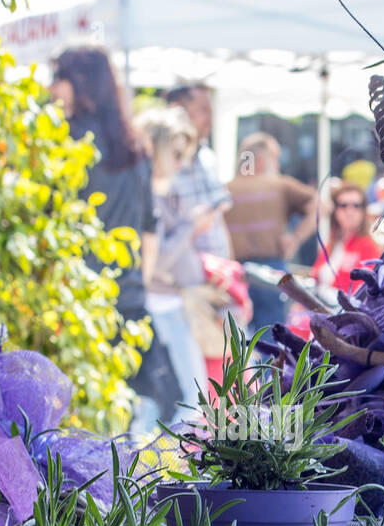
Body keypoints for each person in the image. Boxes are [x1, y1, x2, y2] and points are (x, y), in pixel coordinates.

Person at [50, 46, 179, 430]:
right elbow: (149, 227)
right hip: (128, 300)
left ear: (81, 83)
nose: (51, 88)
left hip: (75, 304)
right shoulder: (134, 146)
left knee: (70, 419)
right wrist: (137, 281)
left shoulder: (64, 139)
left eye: (59, 77)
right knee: (124, 419)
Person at [136, 106, 210, 410]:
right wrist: (191, 226)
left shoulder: (156, 193)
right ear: (157, 148)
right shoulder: (146, 196)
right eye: (176, 155)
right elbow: (156, 260)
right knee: (188, 399)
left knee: (170, 399)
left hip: (170, 303)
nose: (180, 164)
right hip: (162, 305)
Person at [225, 132, 317, 333]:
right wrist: (295, 238)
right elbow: (320, 206)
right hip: (270, 270)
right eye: (275, 158)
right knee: (270, 337)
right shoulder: (280, 185)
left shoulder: (225, 190)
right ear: (260, 161)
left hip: (234, 272)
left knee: (236, 337)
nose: (277, 165)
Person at [163, 84, 233, 259]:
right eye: (203, 110)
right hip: (183, 273)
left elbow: (219, 220)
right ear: (177, 110)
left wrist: (231, 265)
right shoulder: (162, 166)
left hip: (219, 271)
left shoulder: (208, 158)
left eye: (210, 111)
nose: (210, 119)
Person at [312, 183, 383, 298]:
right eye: (343, 205)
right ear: (335, 210)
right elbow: (315, 275)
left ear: (363, 211)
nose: (350, 212)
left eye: (356, 206)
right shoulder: (331, 243)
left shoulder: (368, 247)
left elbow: (363, 293)